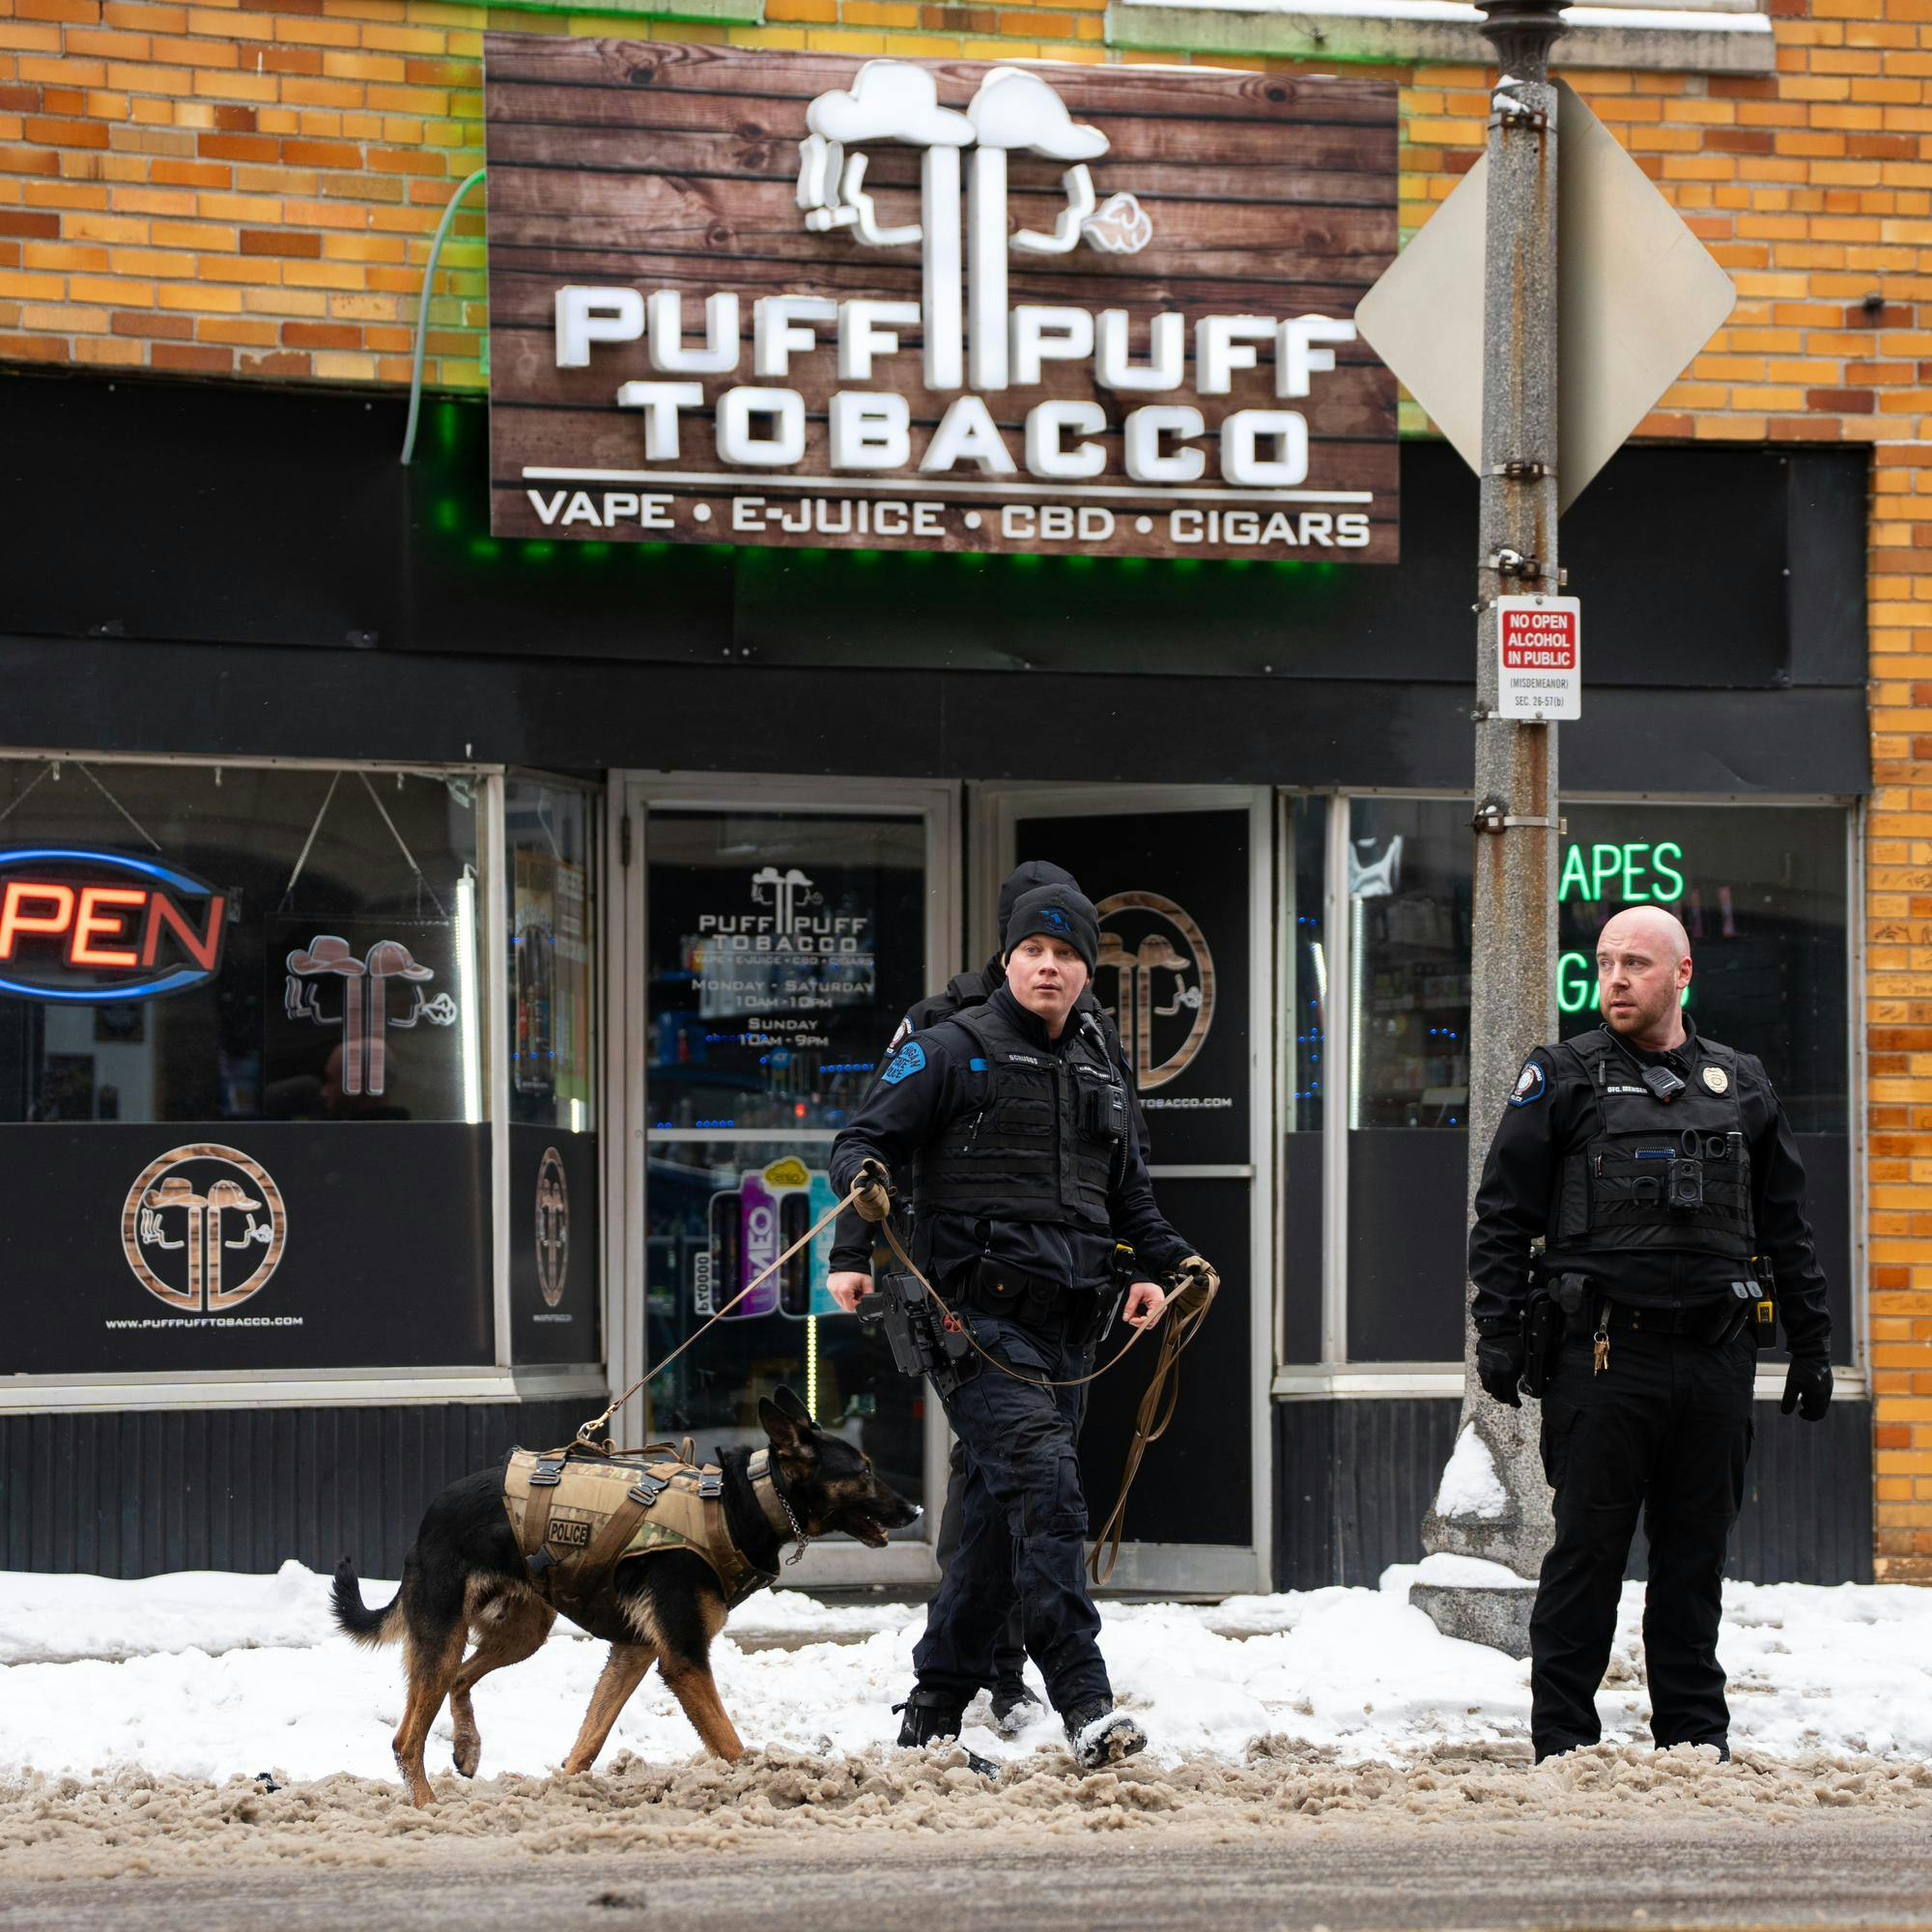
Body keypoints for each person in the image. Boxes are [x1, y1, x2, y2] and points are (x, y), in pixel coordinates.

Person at [828, 881, 1209, 1768]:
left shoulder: (1097, 1063)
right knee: (1048, 1492)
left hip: (1072, 1331)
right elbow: (859, 1144)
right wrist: (862, 1219)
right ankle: (1085, 1700)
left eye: (1068, 953)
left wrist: (1166, 1265)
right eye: (1035, 950)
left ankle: (932, 1710)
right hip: (974, 1324)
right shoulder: (945, 1050)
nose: (1050, 965)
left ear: (1084, 971)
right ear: (1009, 960)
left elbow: (1130, 1198)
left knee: (1001, 1535)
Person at [1468, 904, 1833, 1763]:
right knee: (1587, 1555)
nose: (1616, 979)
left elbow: (1787, 1227)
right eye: (1604, 963)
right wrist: (1497, 1330)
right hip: (1602, 1356)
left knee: (1693, 1557)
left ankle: (1695, 1737)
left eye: (1636, 962)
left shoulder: (1739, 1083)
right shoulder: (1563, 1075)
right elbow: (1502, 1214)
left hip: (1714, 1358)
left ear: (1682, 973)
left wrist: (1813, 1343)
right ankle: (1563, 1739)